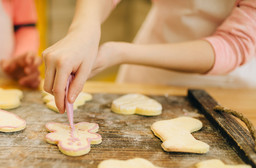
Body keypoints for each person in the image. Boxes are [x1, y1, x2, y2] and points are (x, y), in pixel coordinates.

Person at [42, 0, 256, 114]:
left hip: (227, 84)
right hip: (150, 63)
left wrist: (120, 52)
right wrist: (83, 30)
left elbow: (235, 43)